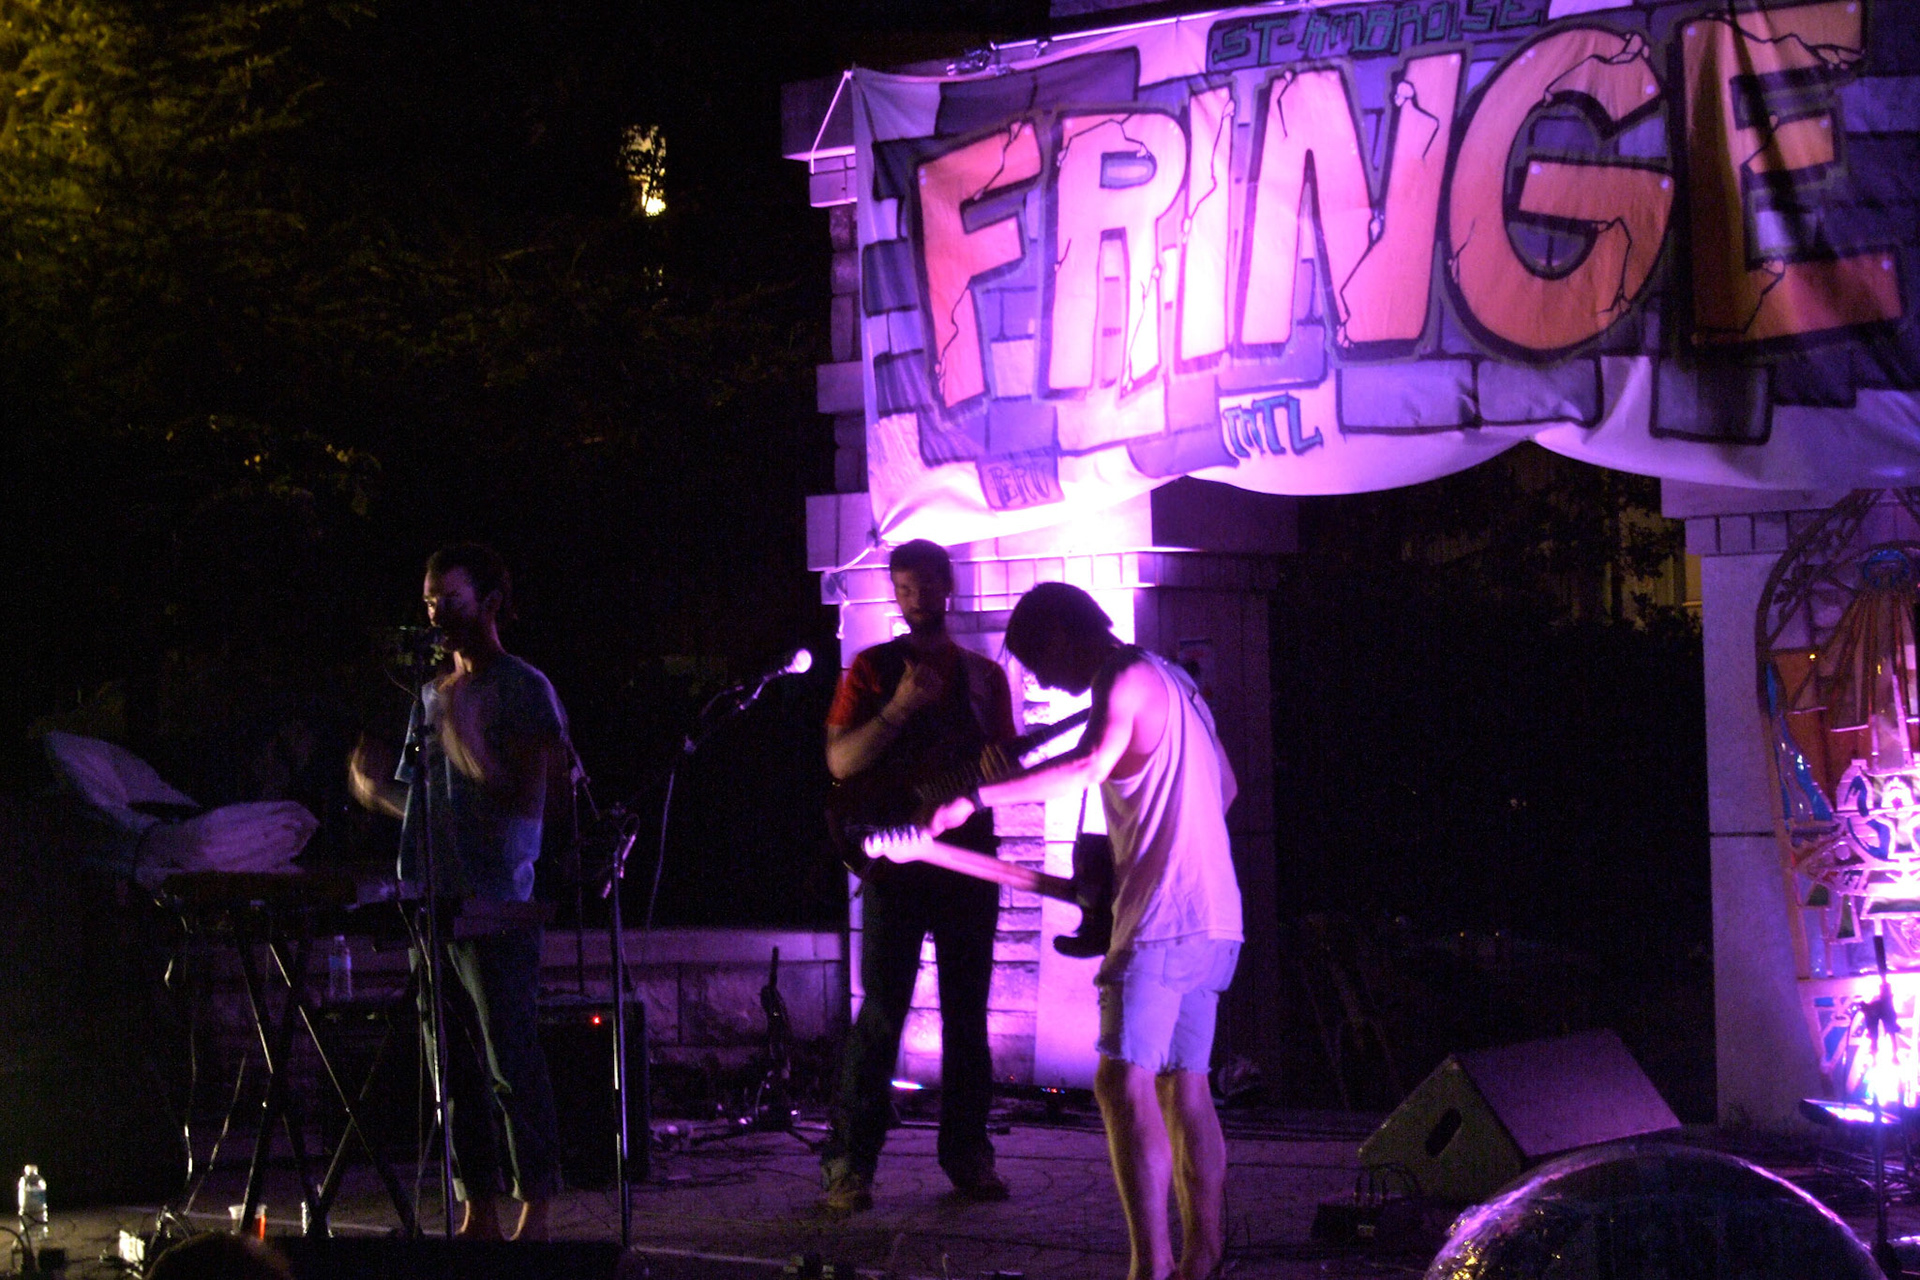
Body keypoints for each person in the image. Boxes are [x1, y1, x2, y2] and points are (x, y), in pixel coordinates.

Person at [927, 582, 1242, 1280]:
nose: (1042, 682)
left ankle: (1149, 1267)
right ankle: (1202, 1257)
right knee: (1183, 1085)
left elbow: (1091, 765)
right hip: (1216, 914)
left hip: (1164, 915)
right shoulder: (1179, 684)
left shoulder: (1122, 675)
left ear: (1061, 636)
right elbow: (1225, 789)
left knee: (1119, 1080)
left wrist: (973, 797)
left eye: (1038, 664)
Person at [348, 543, 568, 1241]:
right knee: (451, 1066)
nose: (436, 611)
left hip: (495, 902)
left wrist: (465, 737)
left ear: (490, 602)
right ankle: (477, 1207)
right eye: (429, 599)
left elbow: (531, 797)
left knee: (509, 1060)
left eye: (449, 597)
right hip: (431, 901)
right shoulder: (432, 694)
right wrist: (374, 790)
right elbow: (428, 802)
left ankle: (536, 1204)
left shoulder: (523, 688)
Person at [819, 539, 1017, 1213]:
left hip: (966, 858)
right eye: (902, 588)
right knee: (881, 1010)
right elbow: (842, 764)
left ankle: (968, 1155)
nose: (914, 600)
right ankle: (850, 1164)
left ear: (947, 589)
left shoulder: (987, 678)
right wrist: (899, 707)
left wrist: (998, 776)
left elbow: (1007, 770)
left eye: (925, 586)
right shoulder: (872, 669)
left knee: (968, 1013)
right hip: (895, 859)